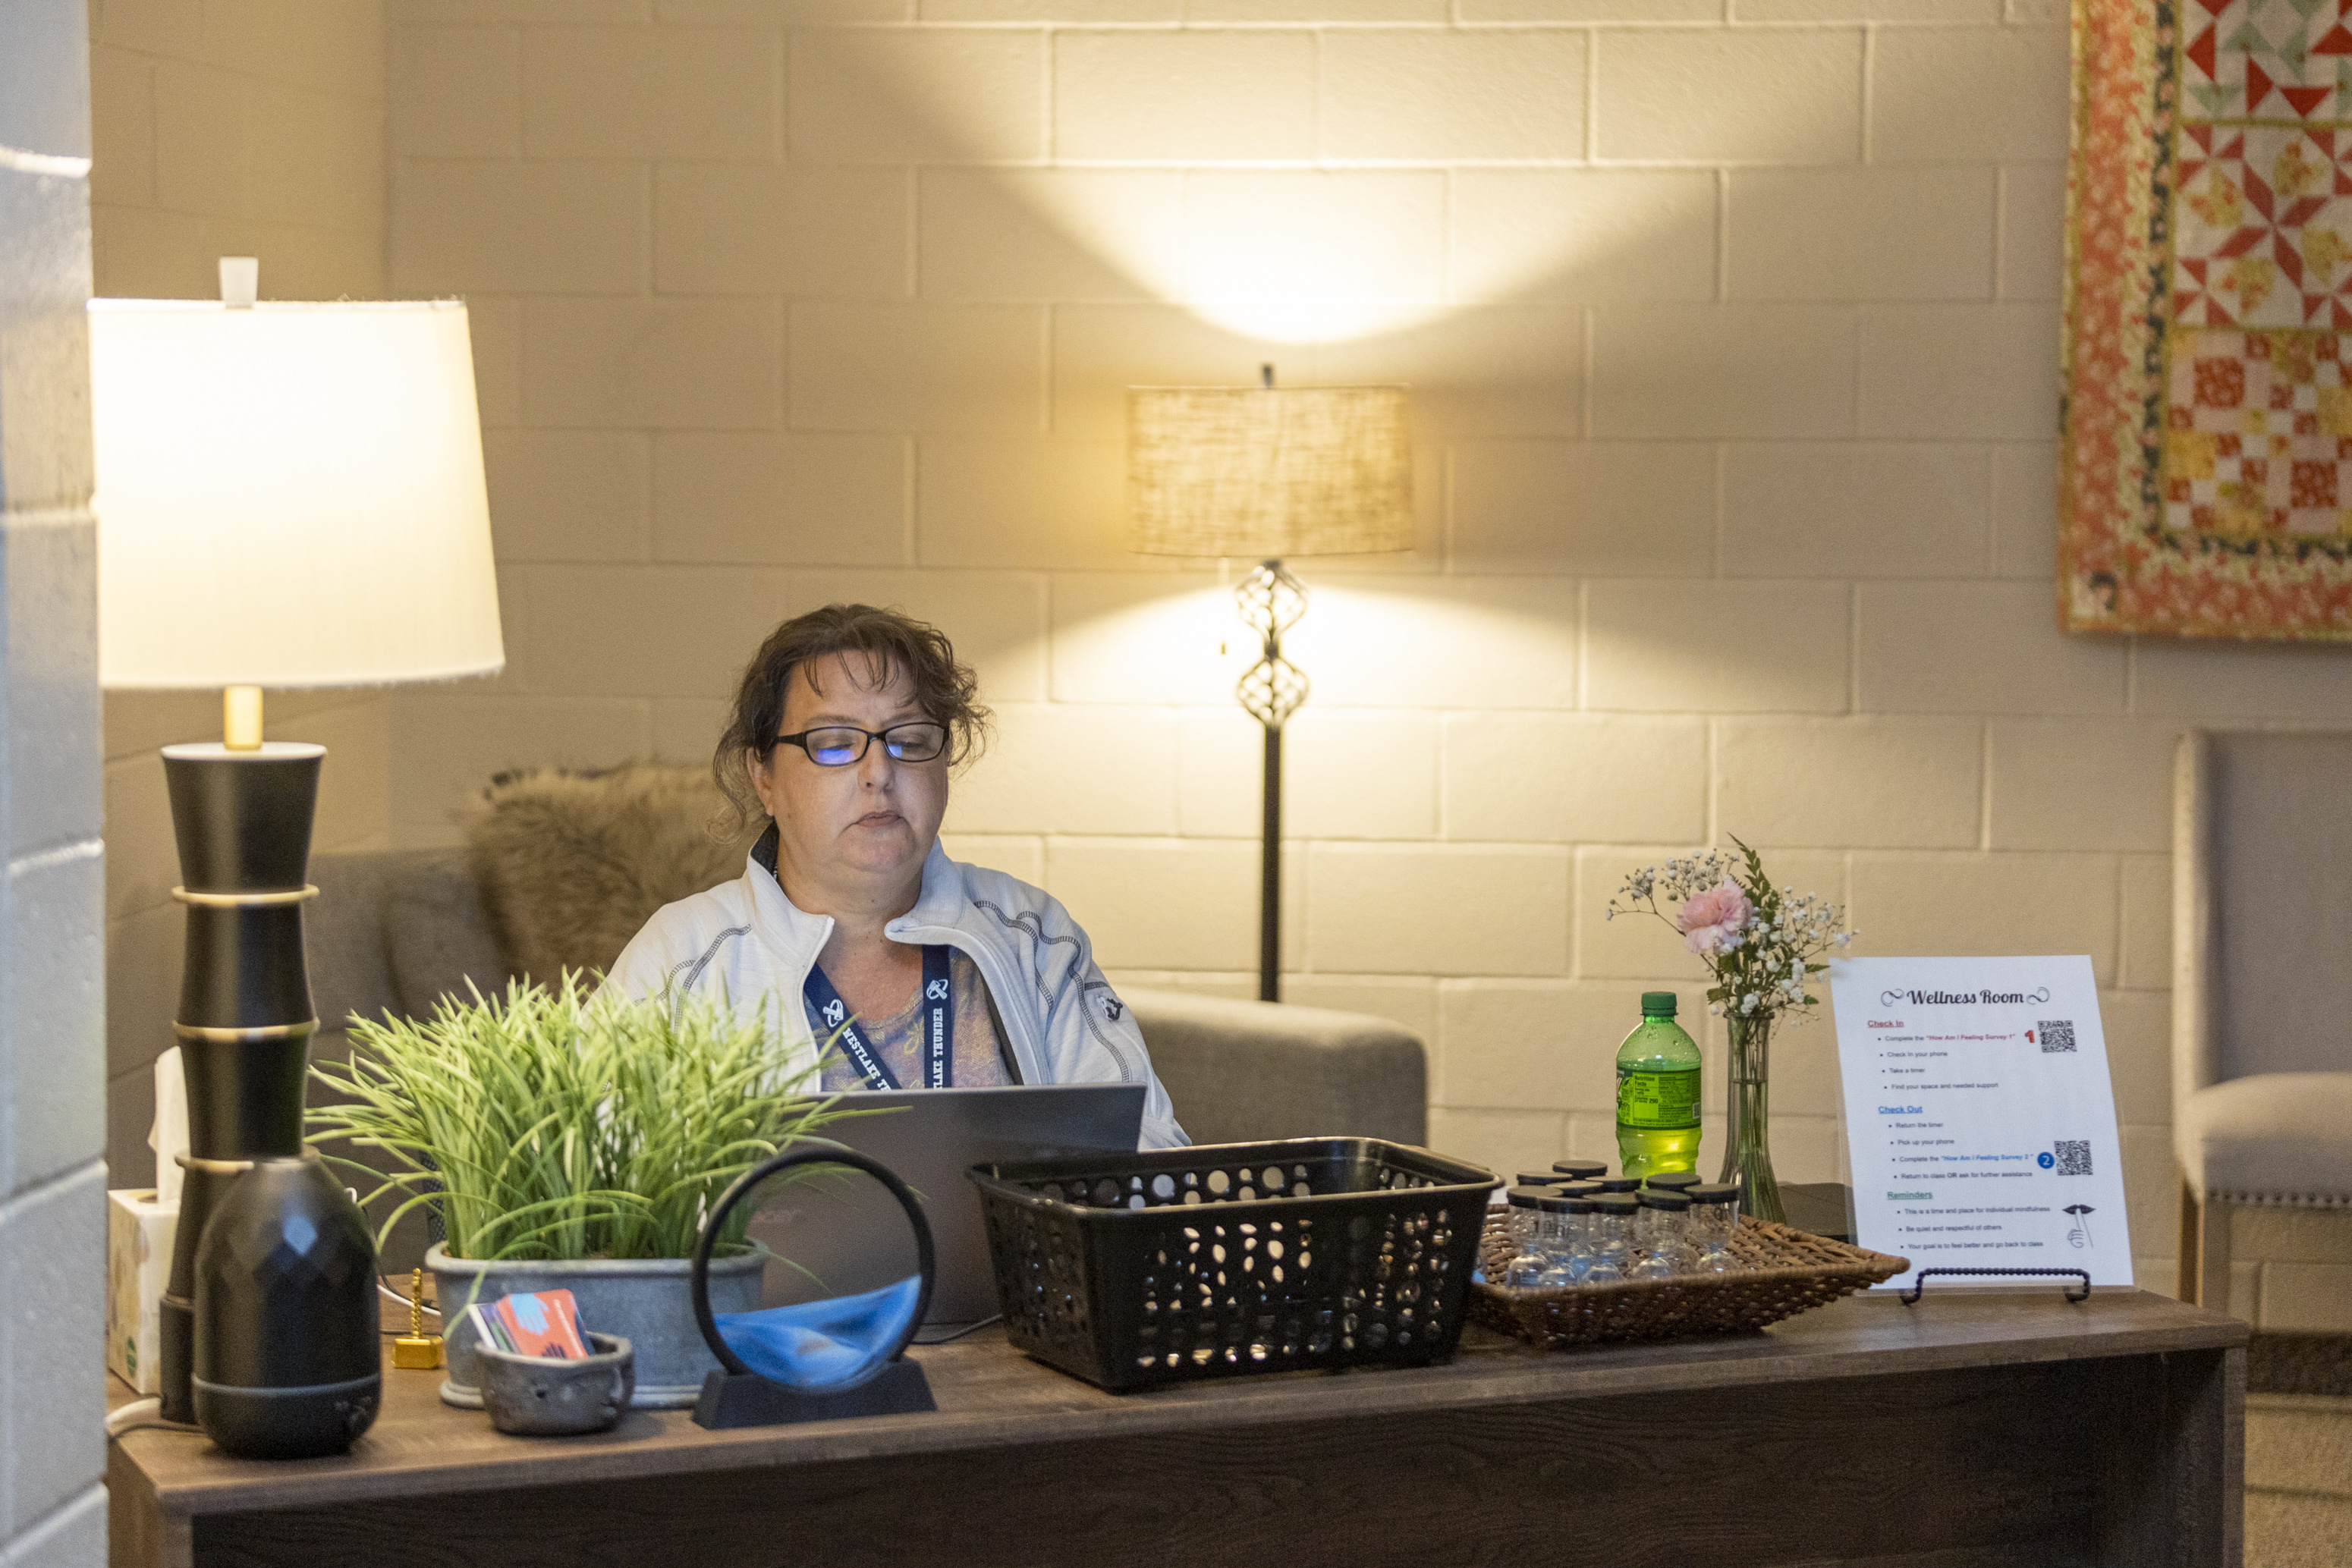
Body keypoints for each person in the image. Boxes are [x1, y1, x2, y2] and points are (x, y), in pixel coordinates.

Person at [606, 602, 1187, 1149]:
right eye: (833, 744)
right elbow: (596, 1198)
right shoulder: (678, 961)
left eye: (909, 740)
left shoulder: (1034, 936)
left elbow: (1150, 1149)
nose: (879, 772)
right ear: (764, 776)